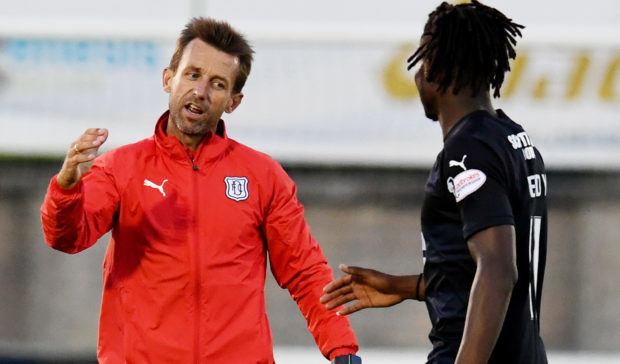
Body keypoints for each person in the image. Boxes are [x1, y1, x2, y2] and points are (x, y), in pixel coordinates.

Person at [40, 18, 360, 363]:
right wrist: (67, 186)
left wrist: (341, 349)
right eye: (192, 75)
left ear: (233, 101)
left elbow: (305, 271)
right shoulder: (121, 167)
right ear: (168, 78)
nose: (201, 92)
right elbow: (68, 237)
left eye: (217, 83)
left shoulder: (263, 176)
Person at [321, 1, 548, 363]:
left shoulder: (469, 148)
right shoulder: (514, 140)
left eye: (423, 56)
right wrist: (404, 286)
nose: (418, 72)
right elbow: (478, 270)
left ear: (437, 67)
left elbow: (499, 270)